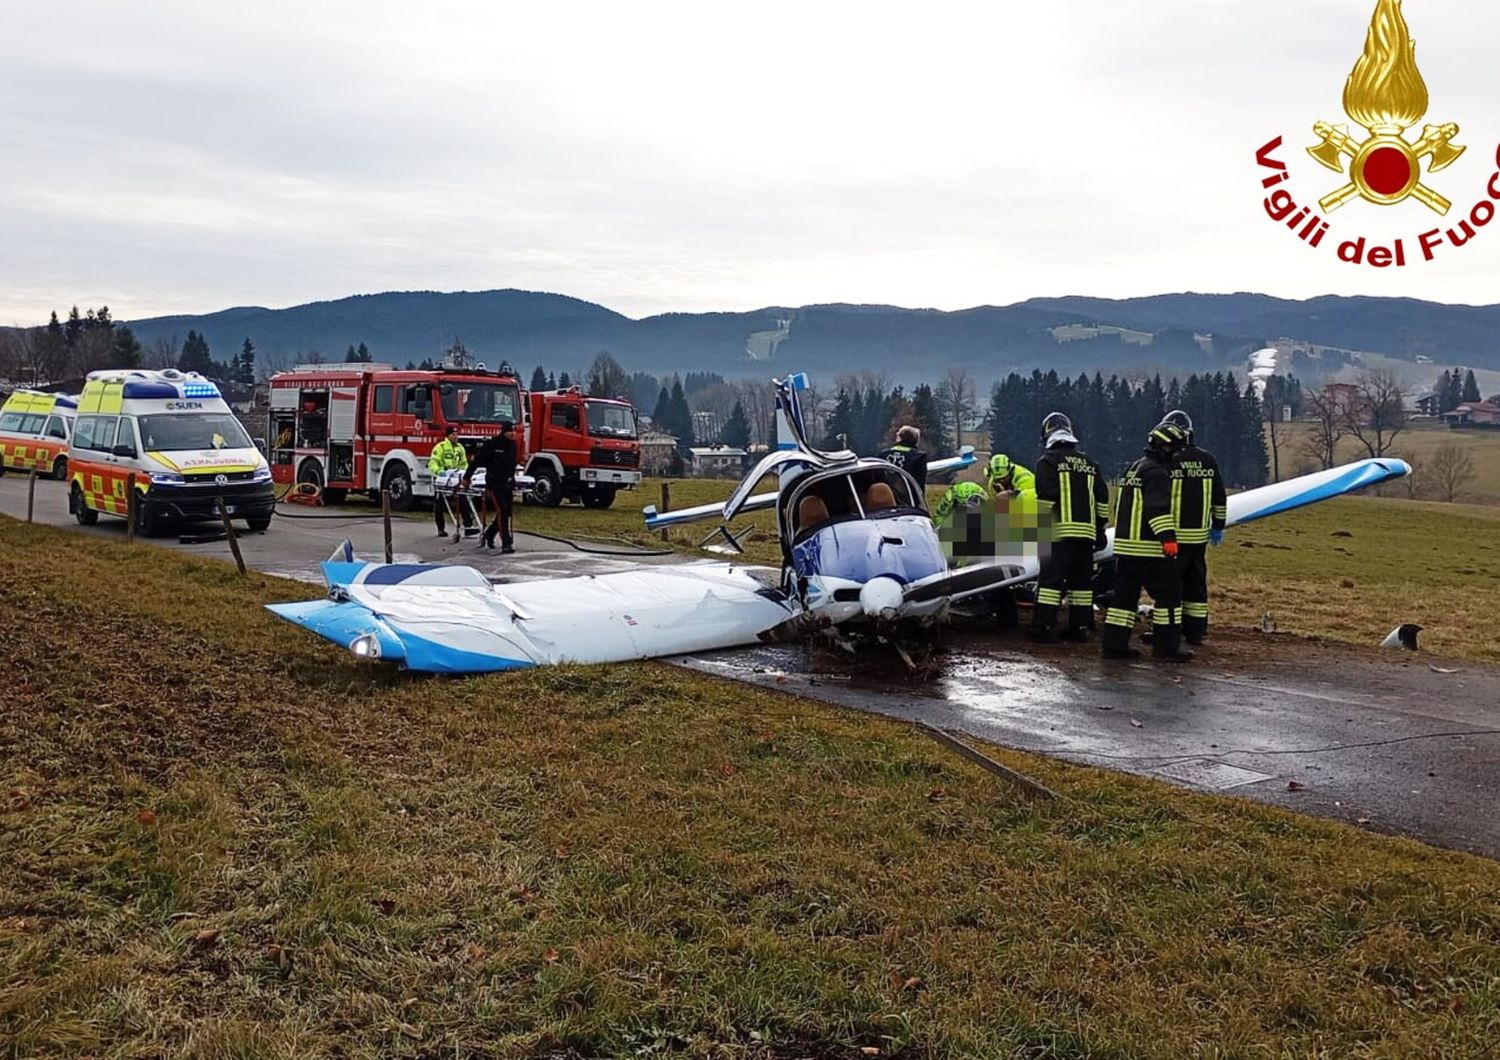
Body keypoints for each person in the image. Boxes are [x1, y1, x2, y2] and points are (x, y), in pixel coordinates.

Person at [1102, 421, 1193, 662]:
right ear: (1166, 447)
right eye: (1176, 449)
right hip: (1149, 549)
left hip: (1125, 547)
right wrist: (1168, 539)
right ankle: (1167, 647)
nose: (1177, 454)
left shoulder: (1133, 468)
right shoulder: (1156, 472)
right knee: (1170, 597)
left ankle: (1114, 645)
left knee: (1123, 599)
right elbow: (1157, 509)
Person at [1029, 412, 1110, 643]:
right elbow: (1102, 499)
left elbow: (1046, 499)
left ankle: (1044, 626)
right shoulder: (1090, 464)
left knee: (1050, 583)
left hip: (1059, 533)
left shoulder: (1047, 462)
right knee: (1082, 584)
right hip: (1086, 535)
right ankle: (1081, 628)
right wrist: (1100, 529)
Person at [1161, 409, 1227, 645]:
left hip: (1173, 537)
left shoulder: (1168, 460)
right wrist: (1218, 525)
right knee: (1196, 584)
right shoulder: (1208, 459)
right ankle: (1197, 630)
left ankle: (1171, 631)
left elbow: (1158, 497)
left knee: (1172, 586)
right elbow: (1219, 496)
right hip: (1198, 537)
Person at [466, 420, 518, 552]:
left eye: (514, 431)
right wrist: (467, 477)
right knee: (502, 510)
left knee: (506, 512)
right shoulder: (492, 444)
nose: (513, 434)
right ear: (504, 432)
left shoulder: (513, 445)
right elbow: (476, 461)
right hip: (495, 483)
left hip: (508, 483)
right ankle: (506, 543)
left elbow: (511, 465)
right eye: (510, 431)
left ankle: (489, 534)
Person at [427, 425, 471, 537]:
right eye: (453, 434)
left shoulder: (460, 448)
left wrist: (464, 473)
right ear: (448, 435)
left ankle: (468, 526)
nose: (456, 436)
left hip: (456, 479)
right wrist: (439, 472)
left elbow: (464, 463)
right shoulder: (440, 447)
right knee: (439, 504)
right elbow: (433, 463)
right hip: (442, 479)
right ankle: (440, 528)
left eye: (457, 434)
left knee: (463, 500)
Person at [879, 425, 929, 493]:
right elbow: (920, 483)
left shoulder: (883, 454)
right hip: (907, 498)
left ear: (899, 438)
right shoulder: (919, 457)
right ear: (916, 440)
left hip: (886, 495)